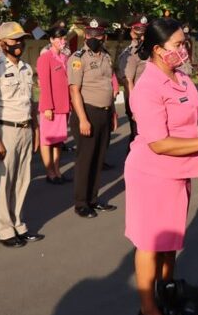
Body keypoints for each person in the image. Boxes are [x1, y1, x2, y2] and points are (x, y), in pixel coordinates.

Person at [124, 18, 198, 315]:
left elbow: (197, 120)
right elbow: (159, 143)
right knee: (150, 243)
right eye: (177, 45)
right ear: (158, 49)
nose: (183, 49)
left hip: (178, 173)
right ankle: (149, 307)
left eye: (184, 44)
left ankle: (166, 290)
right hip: (151, 174)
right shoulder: (147, 86)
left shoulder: (182, 78)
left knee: (170, 241)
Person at [0, 22, 44, 248]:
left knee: (22, 181)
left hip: (25, 129)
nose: (19, 43)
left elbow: (31, 102)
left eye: (21, 39)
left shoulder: (27, 68)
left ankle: (18, 223)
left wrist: (36, 129)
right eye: (14, 40)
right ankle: (4, 229)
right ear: (1, 43)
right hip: (5, 129)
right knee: (4, 182)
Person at [67, 19, 118, 218]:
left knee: (99, 158)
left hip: (104, 112)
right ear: (85, 35)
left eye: (98, 34)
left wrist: (112, 112)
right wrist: (83, 119)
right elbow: (74, 90)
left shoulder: (106, 55)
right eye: (90, 34)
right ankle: (81, 203)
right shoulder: (78, 58)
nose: (94, 38)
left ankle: (94, 199)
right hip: (87, 112)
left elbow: (108, 85)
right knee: (85, 160)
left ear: (103, 35)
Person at [36, 26, 71, 184]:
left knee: (59, 141)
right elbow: (44, 84)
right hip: (50, 107)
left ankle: (57, 170)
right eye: (59, 38)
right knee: (47, 140)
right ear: (51, 40)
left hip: (63, 106)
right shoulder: (45, 58)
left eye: (64, 38)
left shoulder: (65, 58)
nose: (62, 41)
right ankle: (49, 172)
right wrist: (48, 107)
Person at [117, 15, 148, 144]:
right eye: (138, 32)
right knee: (138, 138)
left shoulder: (150, 50)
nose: (142, 35)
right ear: (132, 33)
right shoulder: (130, 54)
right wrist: (134, 108)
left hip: (151, 100)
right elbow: (128, 81)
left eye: (144, 32)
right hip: (138, 101)